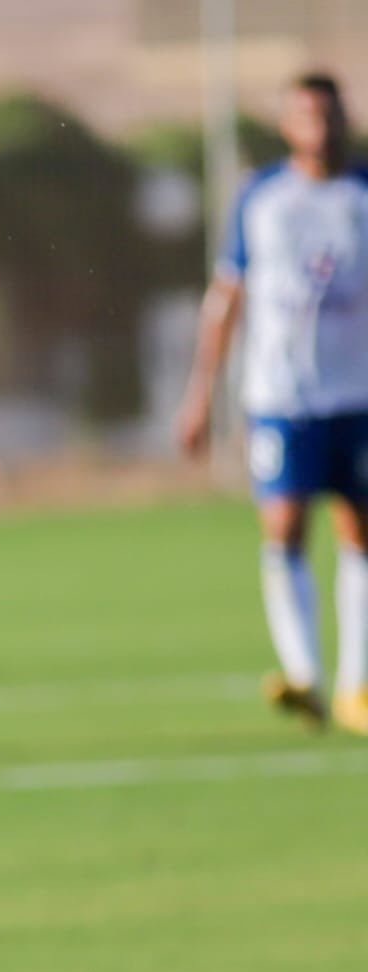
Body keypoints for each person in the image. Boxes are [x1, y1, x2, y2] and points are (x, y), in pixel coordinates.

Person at [178, 73, 368, 733]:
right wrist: (199, 392)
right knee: (284, 525)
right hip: (282, 395)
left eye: (328, 112)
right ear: (289, 125)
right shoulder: (262, 198)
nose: (319, 124)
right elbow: (227, 296)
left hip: (359, 393)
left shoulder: (362, 194)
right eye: (305, 113)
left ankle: (356, 685)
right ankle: (304, 676)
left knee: (358, 530)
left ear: (344, 118)